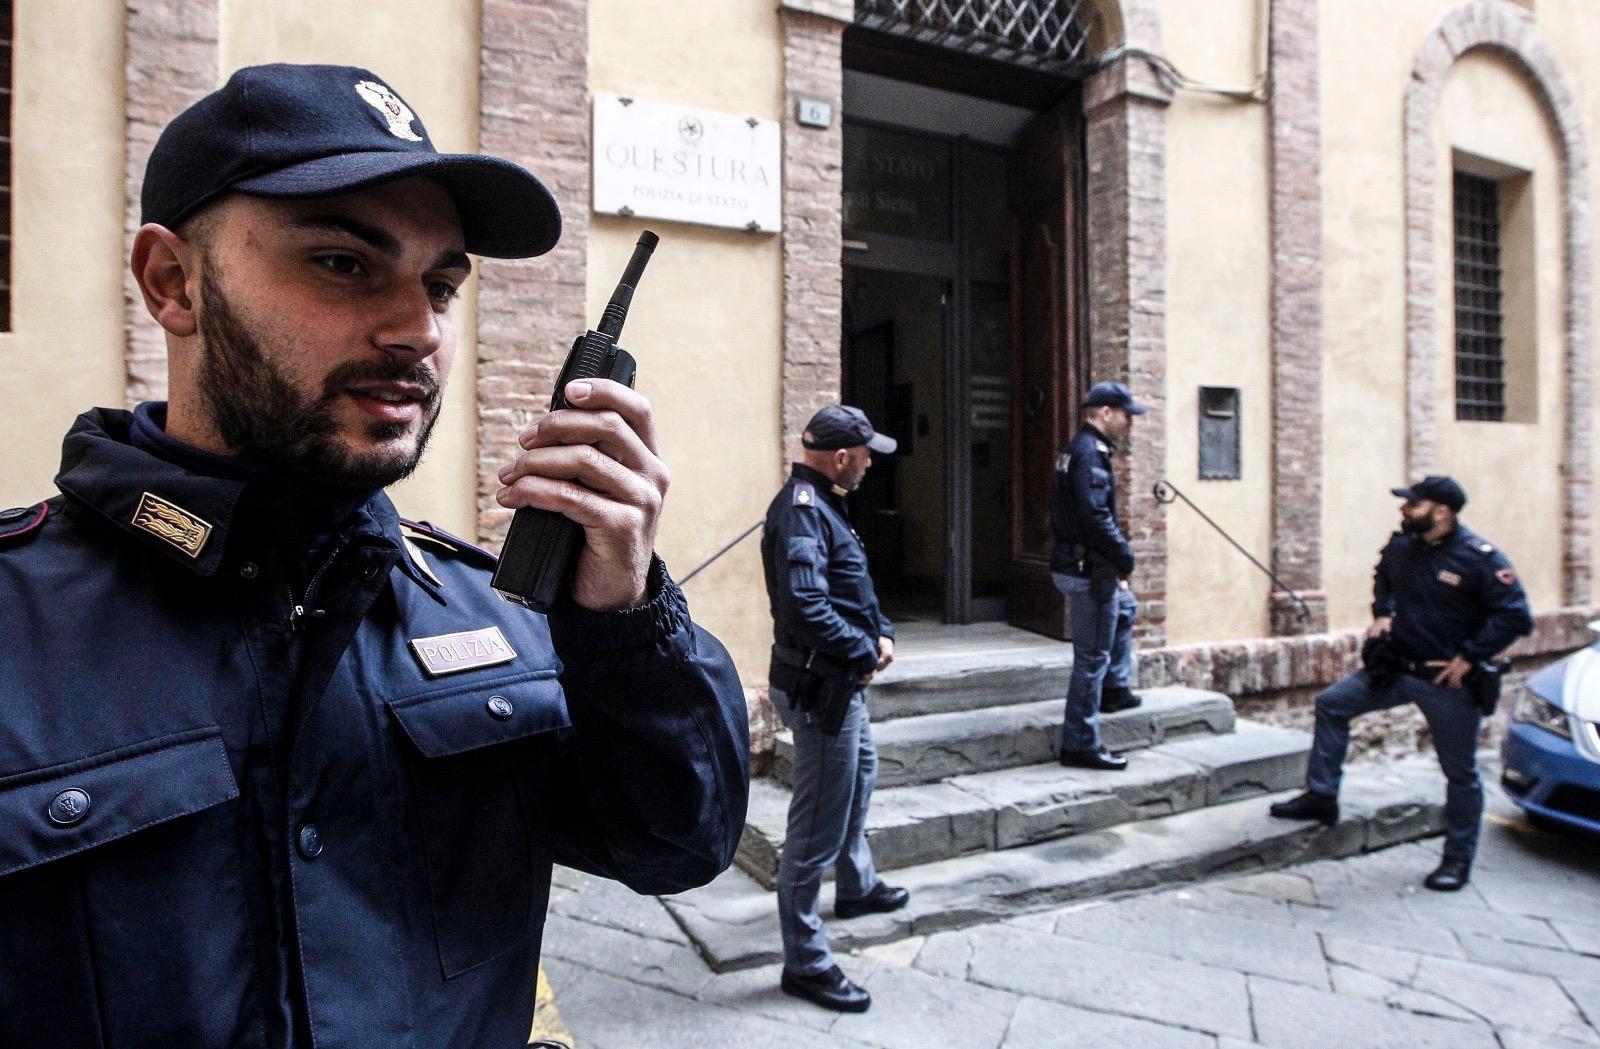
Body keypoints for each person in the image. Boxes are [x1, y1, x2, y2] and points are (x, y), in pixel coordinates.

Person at [0, 64, 749, 1048]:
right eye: (344, 263)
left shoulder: (491, 608)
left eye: (440, 285)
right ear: (174, 282)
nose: (419, 331)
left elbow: (674, 842)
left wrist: (625, 617)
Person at [1270, 475, 1531, 891]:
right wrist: (1384, 612)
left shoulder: (1478, 558)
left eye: (1413, 504)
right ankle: (1321, 797)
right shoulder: (1402, 546)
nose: (1404, 510)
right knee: (1331, 704)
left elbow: (1514, 616)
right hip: (1395, 669)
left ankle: (1457, 860)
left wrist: (1471, 655)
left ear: (1441, 511)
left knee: (1460, 773)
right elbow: (1384, 577)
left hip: (1445, 682)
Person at [761, 404, 909, 1013]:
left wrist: (882, 630)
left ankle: (856, 885)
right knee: (814, 828)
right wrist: (862, 649)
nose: (871, 463)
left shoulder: (826, 503)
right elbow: (805, 607)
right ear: (842, 456)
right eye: (866, 454)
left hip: (841, 681)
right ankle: (806, 962)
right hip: (822, 688)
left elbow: (852, 589)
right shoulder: (803, 510)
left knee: (861, 776)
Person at [1049, 381, 1146, 771]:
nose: (1129, 424)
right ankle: (1080, 743)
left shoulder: (1081, 449)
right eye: (1125, 416)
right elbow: (1095, 515)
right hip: (1086, 569)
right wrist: (1123, 555)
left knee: (1126, 608)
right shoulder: (1090, 453)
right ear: (1106, 413)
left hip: (1083, 564)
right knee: (1091, 659)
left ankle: (1115, 688)